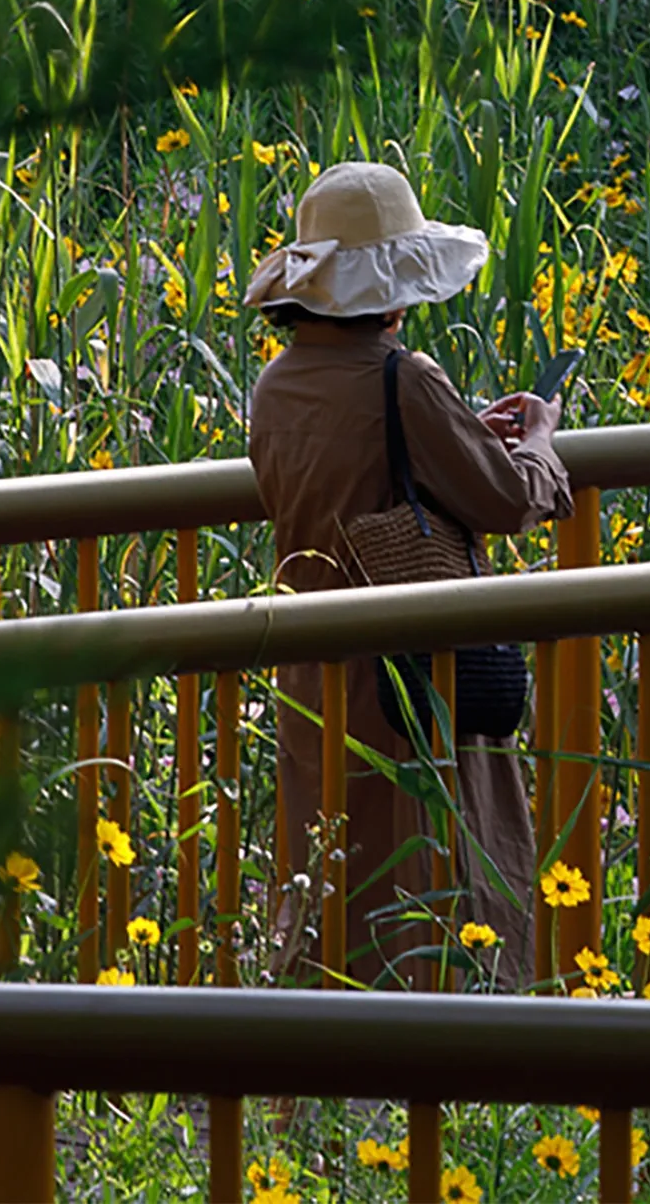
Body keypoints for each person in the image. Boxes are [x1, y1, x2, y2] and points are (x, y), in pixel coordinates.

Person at [242, 161, 570, 988]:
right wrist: (537, 438)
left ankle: (318, 1078)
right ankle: (448, 1070)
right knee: (442, 864)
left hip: (315, 666)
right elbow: (501, 501)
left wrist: (456, 431)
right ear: (392, 287)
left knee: (331, 862)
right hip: (415, 674)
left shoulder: (274, 386)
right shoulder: (404, 377)